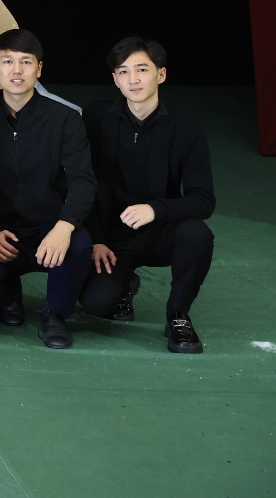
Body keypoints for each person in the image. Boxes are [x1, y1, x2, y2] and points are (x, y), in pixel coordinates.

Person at [0, 29, 95, 349]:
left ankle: (55, 314)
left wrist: (64, 226)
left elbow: (83, 180)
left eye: (26, 62)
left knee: (79, 244)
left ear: (39, 69)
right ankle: (9, 294)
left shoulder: (66, 119)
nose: (17, 70)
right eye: (8, 61)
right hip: (1, 233)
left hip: (49, 228)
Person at [79, 36, 214, 354]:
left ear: (161, 74)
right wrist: (96, 238)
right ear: (115, 79)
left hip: (159, 232)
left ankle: (178, 315)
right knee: (97, 303)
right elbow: (81, 182)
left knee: (197, 234)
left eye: (142, 69)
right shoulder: (95, 118)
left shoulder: (186, 129)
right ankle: (125, 285)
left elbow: (203, 199)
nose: (133, 79)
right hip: (110, 238)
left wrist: (156, 209)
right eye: (123, 71)